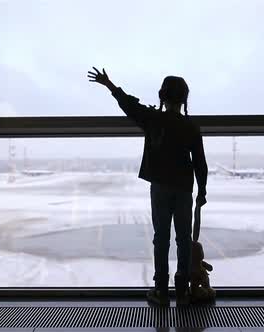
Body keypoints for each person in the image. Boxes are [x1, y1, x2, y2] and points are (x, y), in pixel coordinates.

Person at [88, 67, 208, 306]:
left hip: (160, 187)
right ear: (184, 99)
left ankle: (161, 290)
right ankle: (183, 291)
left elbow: (128, 105)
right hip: (184, 189)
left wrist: (110, 85)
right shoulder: (191, 127)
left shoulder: (153, 119)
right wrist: (202, 191)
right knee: (183, 239)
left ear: (162, 96)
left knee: (161, 238)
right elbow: (200, 163)